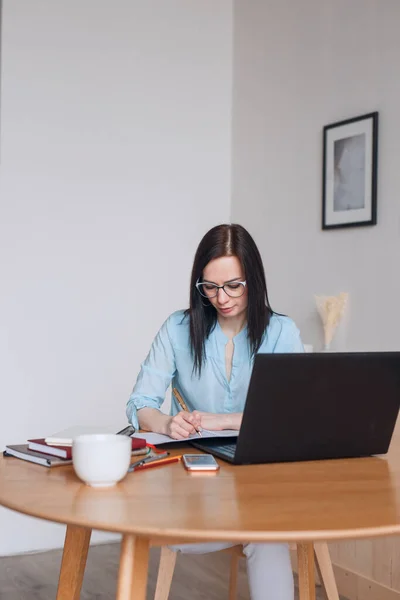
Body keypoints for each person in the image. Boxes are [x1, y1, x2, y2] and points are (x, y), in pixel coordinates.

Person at [126, 223, 304, 600]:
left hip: (261, 488)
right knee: (266, 533)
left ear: (253, 279)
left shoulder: (281, 333)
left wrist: (220, 421)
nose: (221, 298)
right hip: (192, 491)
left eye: (233, 285)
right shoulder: (177, 328)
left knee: (266, 532)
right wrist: (167, 422)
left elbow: (292, 415)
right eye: (209, 287)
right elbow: (140, 403)